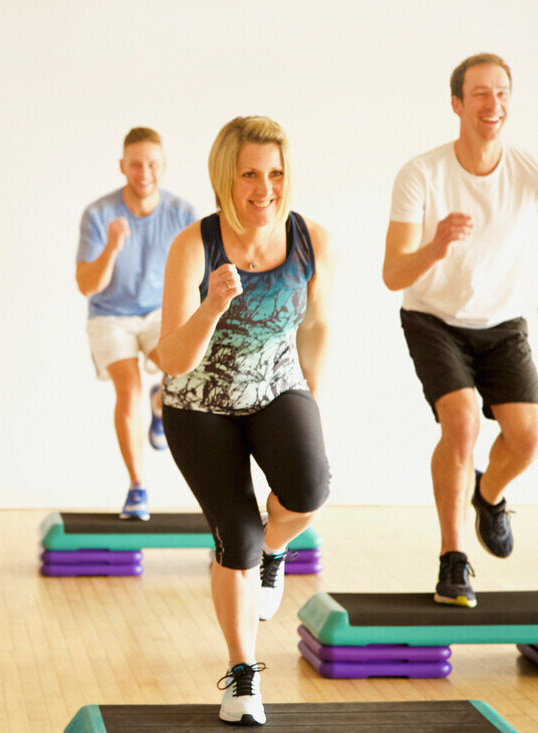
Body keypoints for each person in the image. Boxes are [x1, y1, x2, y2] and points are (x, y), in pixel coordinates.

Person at [157, 116, 331, 725]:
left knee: (311, 489)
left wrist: (312, 400)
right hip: (198, 407)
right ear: (225, 178)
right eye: (250, 174)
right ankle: (241, 675)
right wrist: (213, 303)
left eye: (276, 173)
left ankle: (275, 551)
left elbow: (319, 325)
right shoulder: (194, 246)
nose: (265, 187)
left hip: (277, 391)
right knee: (239, 535)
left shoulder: (311, 240)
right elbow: (171, 357)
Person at [383, 53, 538, 609]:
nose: (494, 105)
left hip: (502, 322)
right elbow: (393, 274)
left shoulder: (535, 170)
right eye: (481, 94)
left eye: (503, 93)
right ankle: (453, 559)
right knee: (461, 423)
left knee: (529, 438)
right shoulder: (422, 174)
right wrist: (436, 246)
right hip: (432, 318)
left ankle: (489, 496)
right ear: (458, 104)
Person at [76, 127, 197, 520]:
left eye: (152, 164)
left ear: (163, 167)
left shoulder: (182, 215)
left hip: (161, 311)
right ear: (122, 167)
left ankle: (160, 404)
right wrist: (112, 246)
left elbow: (197, 277)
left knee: (181, 374)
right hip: (110, 314)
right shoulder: (99, 214)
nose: (144, 172)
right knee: (128, 390)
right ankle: (138, 487)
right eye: (136, 164)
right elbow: (86, 285)